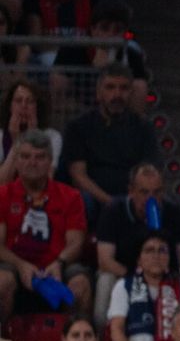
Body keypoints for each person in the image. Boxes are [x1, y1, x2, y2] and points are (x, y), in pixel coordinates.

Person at [93, 162, 180, 324]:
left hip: (166, 275)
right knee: (105, 280)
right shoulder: (113, 211)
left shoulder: (175, 212)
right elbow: (105, 261)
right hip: (125, 274)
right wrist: (136, 278)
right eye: (144, 192)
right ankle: (102, 340)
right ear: (131, 191)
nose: (151, 198)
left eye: (157, 192)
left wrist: (173, 275)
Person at [0, 128, 90, 321]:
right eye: (25, 156)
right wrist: (20, 264)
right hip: (14, 265)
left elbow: (76, 242)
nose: (32, 163)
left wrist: (59, 263)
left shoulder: (70, 196)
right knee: (2, 282)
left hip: (58, 266)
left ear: (50, 161)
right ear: (15, 161)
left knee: (80, 284)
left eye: (39, 157)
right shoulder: (3, 195)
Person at [60, 65, 158, 226]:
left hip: (133, 197)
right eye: (110, 87)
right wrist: (110, 202)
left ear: (131, 93)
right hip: (94, 198)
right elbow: (78, 176)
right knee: (82, 201)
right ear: (99, 93)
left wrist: (132, 200)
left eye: (123, 88)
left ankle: (157, 245)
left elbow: (149, 171)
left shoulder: (143, 128)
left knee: (163, 205)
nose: (117, 94)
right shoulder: (78, 126)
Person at [107, 235, 180, 341]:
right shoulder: (124, 286)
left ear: (169, 258)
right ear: (139, 260)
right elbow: (116, 329)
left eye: (162, 250)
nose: (156, 256)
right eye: (149, 250)